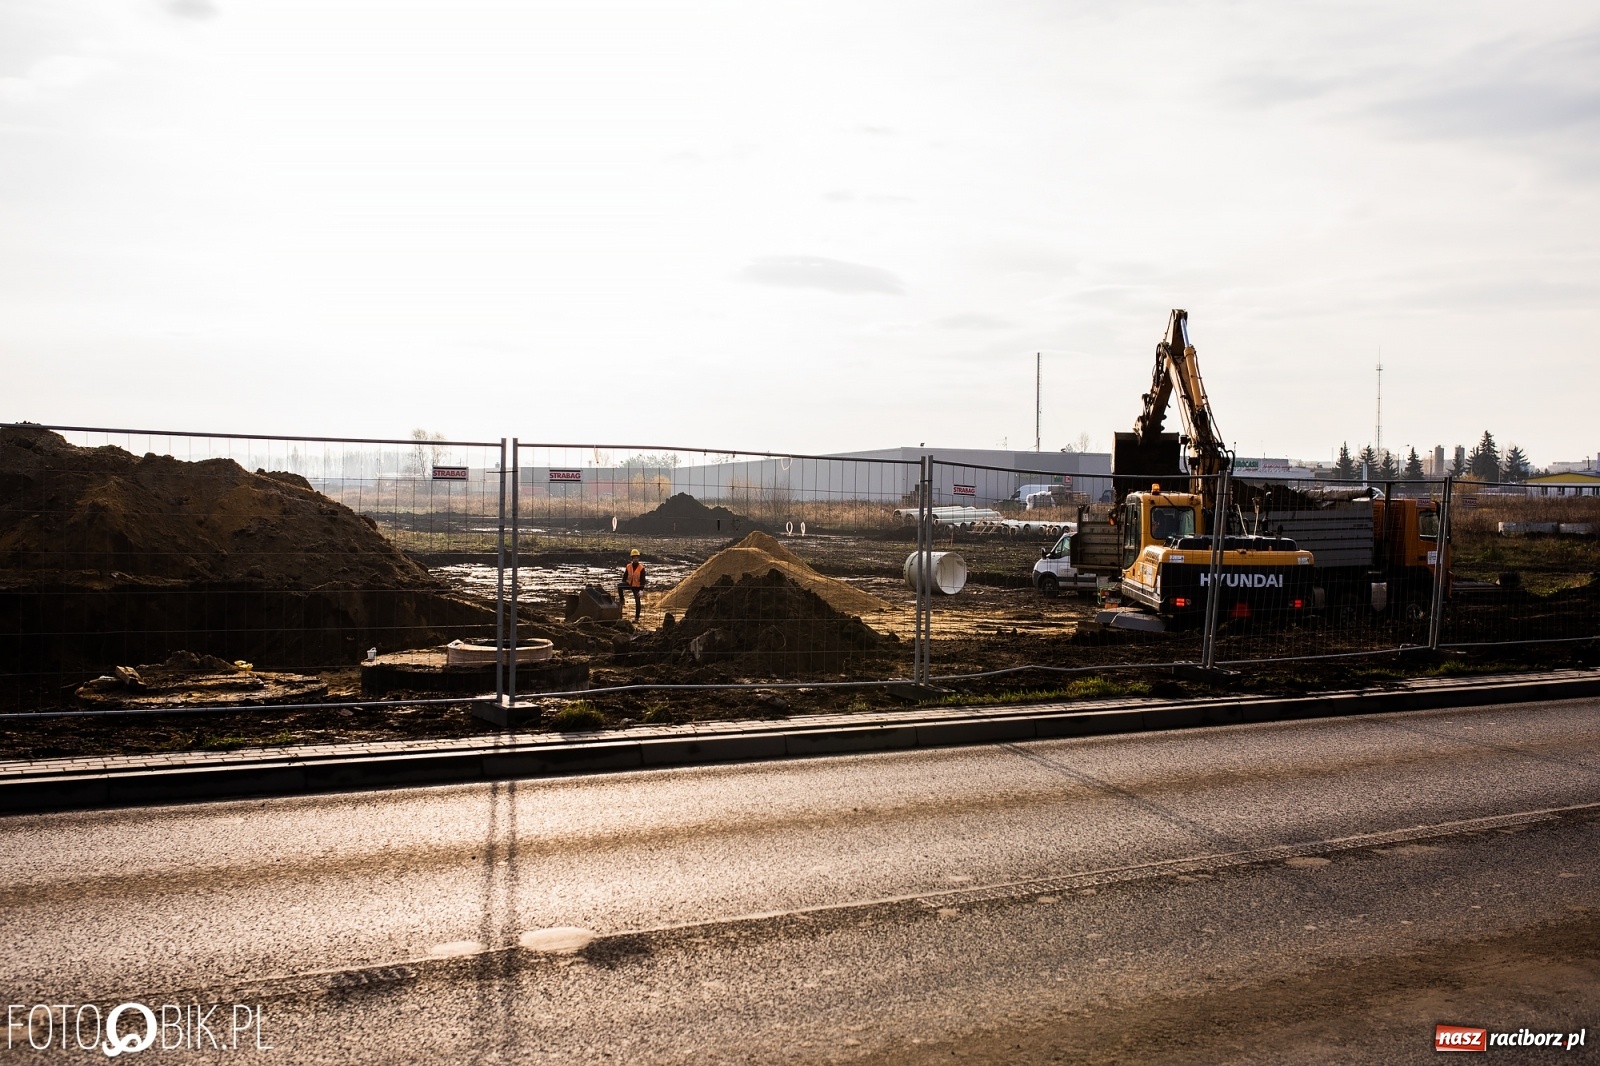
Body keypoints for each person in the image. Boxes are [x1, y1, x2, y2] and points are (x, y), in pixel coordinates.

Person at [618, 549, 647, 621]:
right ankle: (622, 600)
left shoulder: (641, 568)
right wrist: (624, 583)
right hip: (629, 584)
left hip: (636, 587)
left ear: (638, 558)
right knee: (619, 586)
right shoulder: (628, 566)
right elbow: (625, 576)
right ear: (632, 558)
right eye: (634, 558)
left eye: (637, 558)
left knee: (637, 602)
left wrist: (641, 590)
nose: (635, 559)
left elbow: (643, 580)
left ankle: (636, 618)